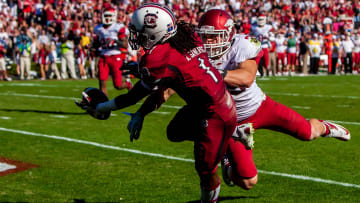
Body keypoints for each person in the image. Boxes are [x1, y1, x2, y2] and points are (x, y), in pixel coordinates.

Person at [77, 4, 237, 202]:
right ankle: (223, 144)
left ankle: (223, 155)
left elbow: (133, 96)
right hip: (214, 100)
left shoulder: (157, 59)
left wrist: (101, 107)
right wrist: (142, 108)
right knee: (175, 131)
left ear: (154, 33)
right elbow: (176, 68)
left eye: (140, 32)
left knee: (205, 171)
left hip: (213, 113)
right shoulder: (185, 33)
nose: (136, 36)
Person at [195, 9, 350, 191]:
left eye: (214, 36)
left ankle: (325, 127)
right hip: (234, 122)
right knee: (247, 182)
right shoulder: (196, 54)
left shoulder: (242, 45)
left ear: (228, 34)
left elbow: (246, 78)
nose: (208, 42)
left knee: (307, 133)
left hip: (260, 107)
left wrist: (212, 73)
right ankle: (227, 164)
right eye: (204, 36)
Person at [93, 6, 132, 96]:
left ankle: (128, 84)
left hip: (115, 57)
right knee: (102, 84)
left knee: (117, 85)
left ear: (114, 16)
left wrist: (115, 41)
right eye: (105, 16)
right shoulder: (98, 28)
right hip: (103, 57)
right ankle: (104, 106)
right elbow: (97, 44)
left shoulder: (118, 27)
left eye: (109, 16)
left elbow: (125, 45)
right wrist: (92, 46)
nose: (107, 18)